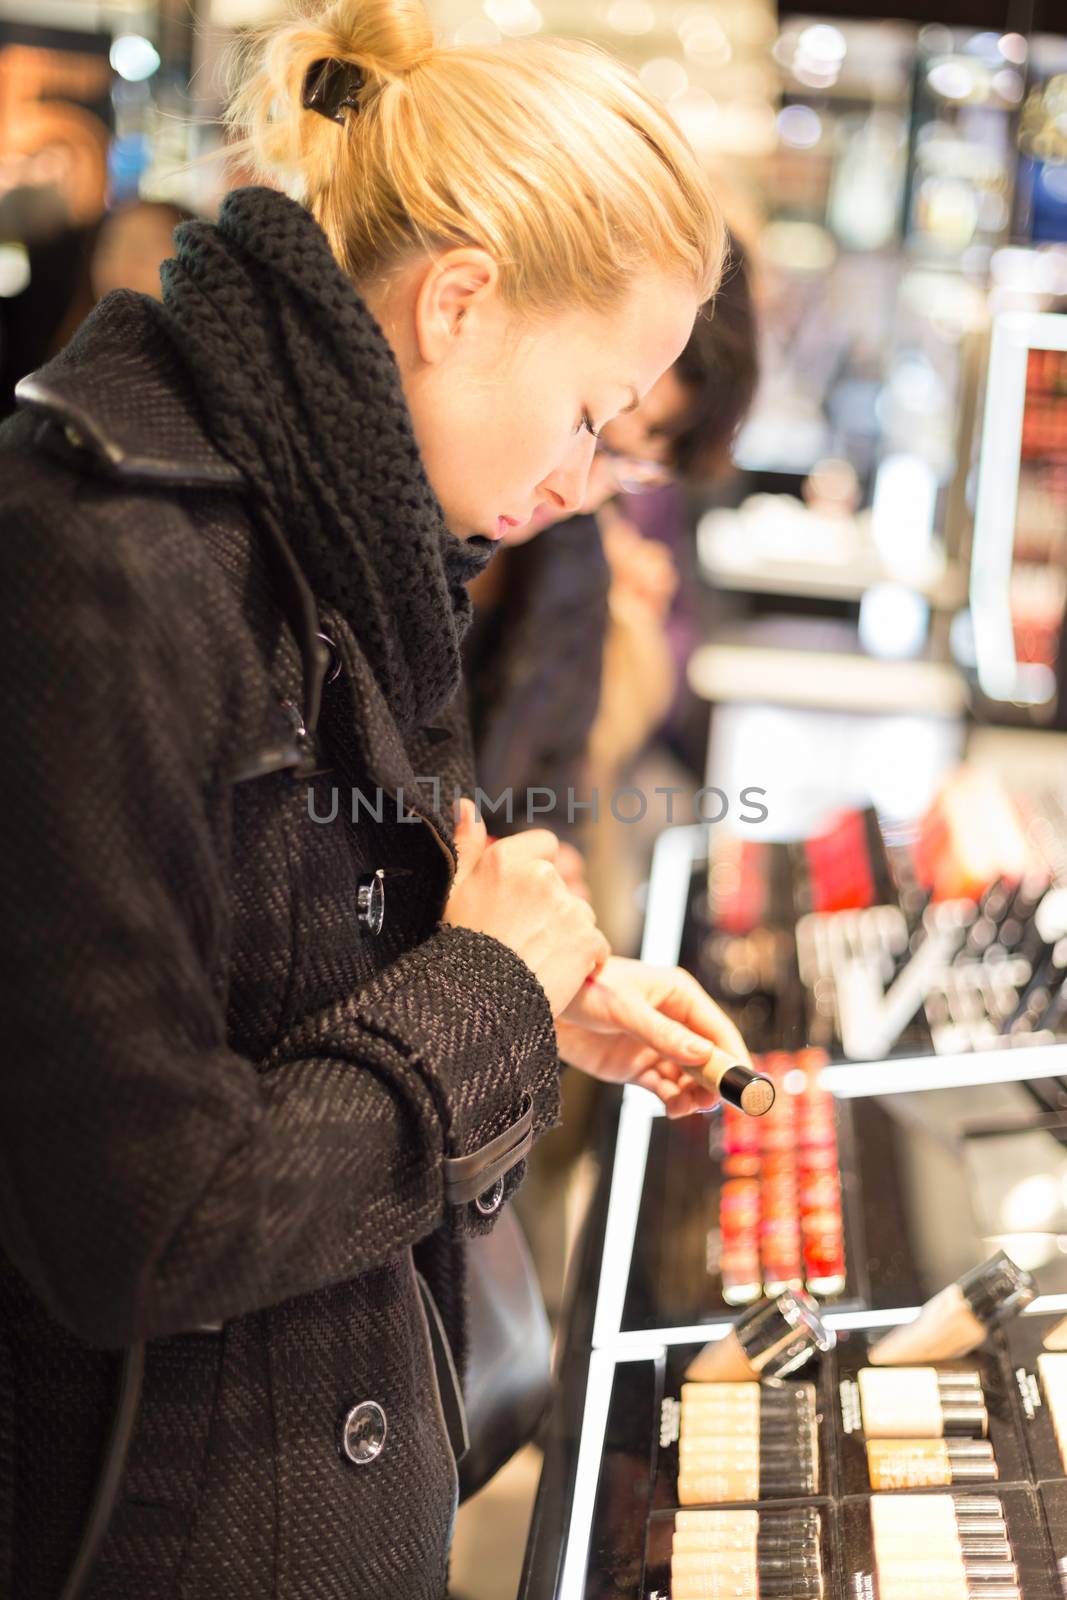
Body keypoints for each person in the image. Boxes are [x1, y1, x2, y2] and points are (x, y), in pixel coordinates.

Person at [0, 2, 750, 1596]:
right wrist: (489, 994)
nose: (587, 476)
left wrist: (558, 997)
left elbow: (275, 967)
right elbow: (145, 1219)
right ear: (462, 302)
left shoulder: (341, 535)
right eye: (595, 410)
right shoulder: (105, 555)